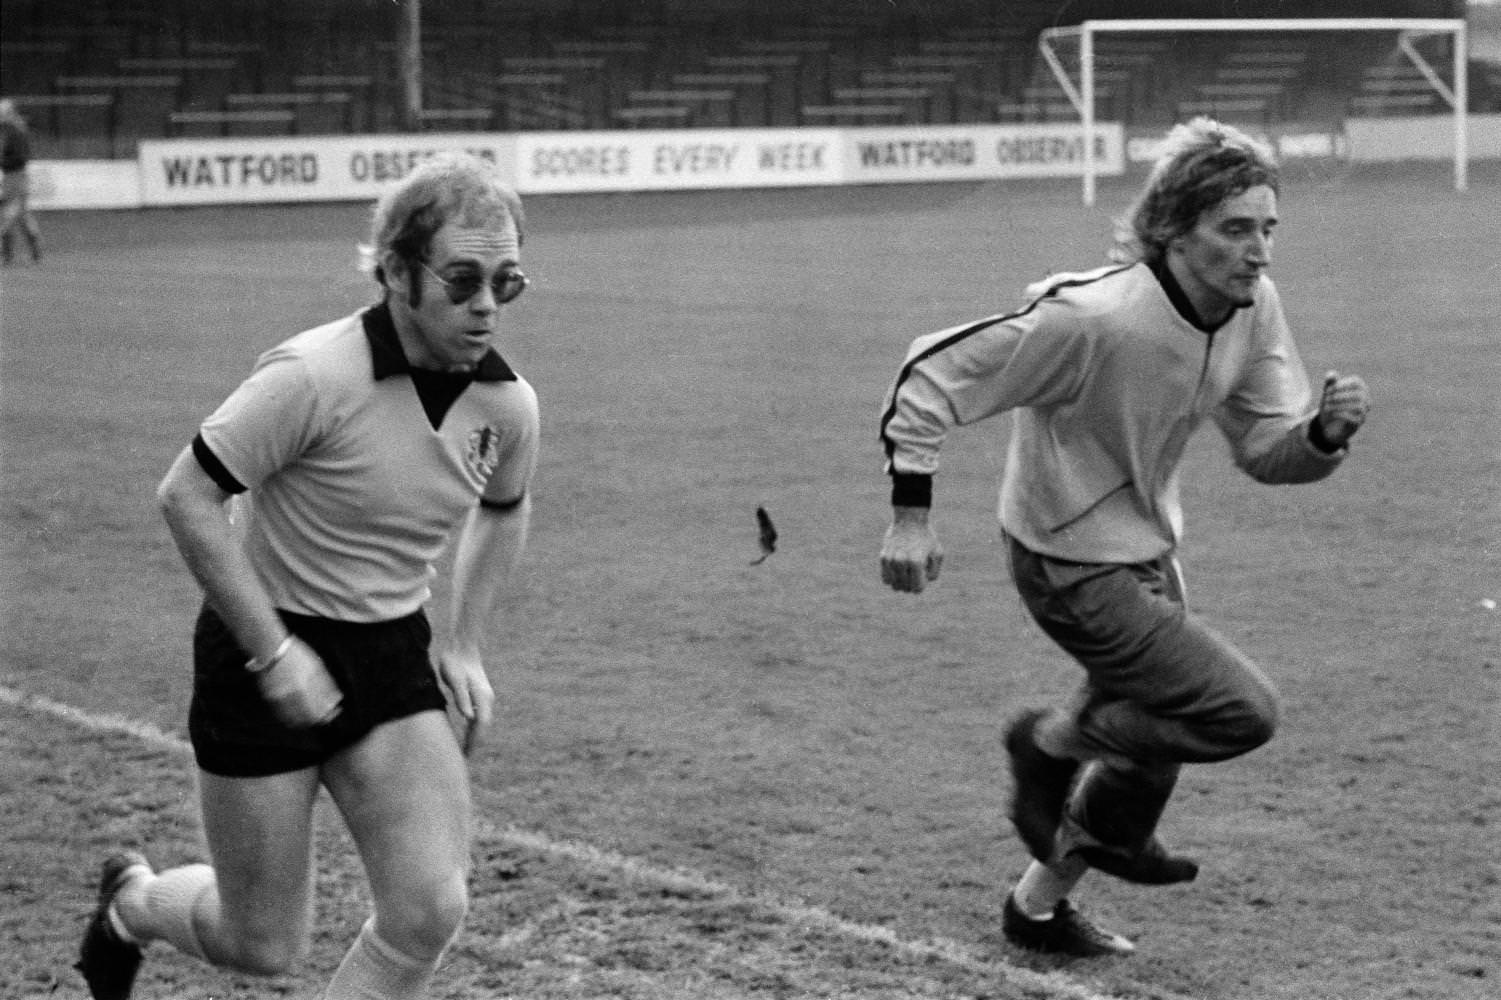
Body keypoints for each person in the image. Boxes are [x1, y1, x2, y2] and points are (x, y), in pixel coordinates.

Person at [877, 118, 1370, 957]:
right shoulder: (1096, 318)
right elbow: (931, 372)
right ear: (1175, 229)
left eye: (1267, 228)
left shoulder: (1252, 308)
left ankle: (1035, 908)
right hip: (1065, 559)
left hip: (1143, 552)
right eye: (1234, 229)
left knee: (1151, 746)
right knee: (1237, 712)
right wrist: (912, 516)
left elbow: (1261, 449)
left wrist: (1320, 436)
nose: (1259, 251)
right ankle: (1047, 744)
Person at [75, 153, 540, 999]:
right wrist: (274, 652)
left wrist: (464, 644)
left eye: (505, 284)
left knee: (429, 908)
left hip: (391, 657)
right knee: (260, 942)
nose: (483, 308)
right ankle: (132, 903)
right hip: (262, 651)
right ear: (397, 271)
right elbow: (187, 496)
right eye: (462, 280)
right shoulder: (313, 375)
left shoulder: (507, 407)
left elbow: (505, 507)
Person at [0, 97, 43, 265]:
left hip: (18, 178)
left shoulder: (17, 132)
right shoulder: (5, 131)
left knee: (8, 218)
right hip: (9, 179)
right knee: (23, 218)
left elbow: (21, 158)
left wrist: (3, 162)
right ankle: (35, 251)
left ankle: (7, 256)